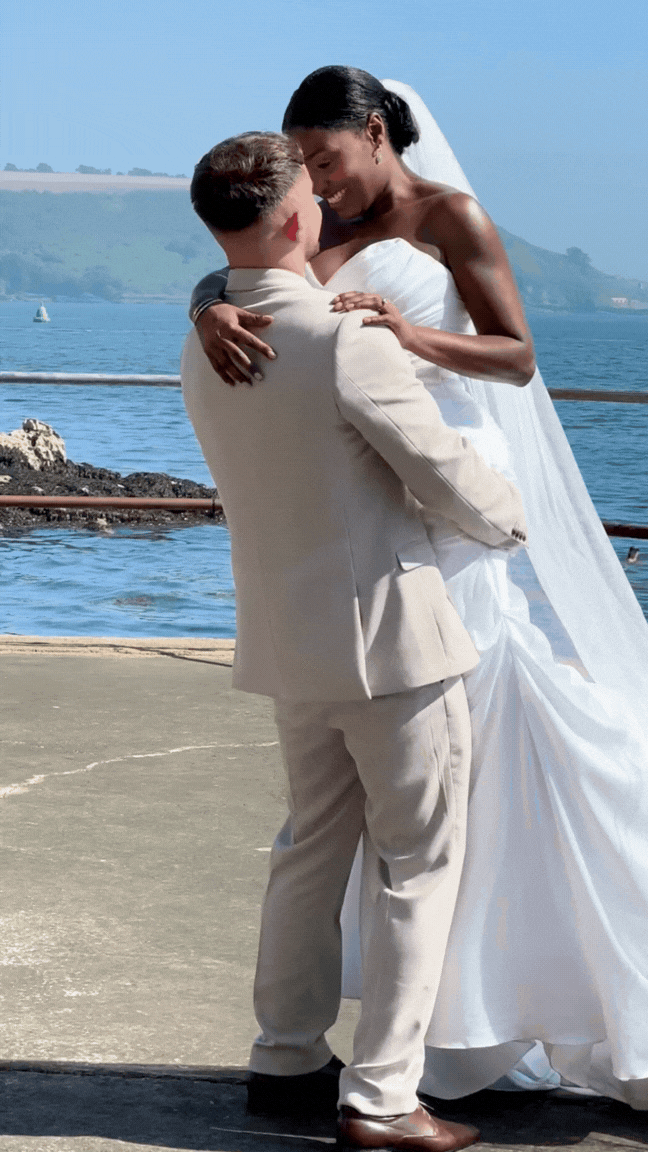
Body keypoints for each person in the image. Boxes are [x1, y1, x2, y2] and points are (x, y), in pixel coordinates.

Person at [189, 69, 648, 1110]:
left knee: (453, 763)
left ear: (379, 132)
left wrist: (406, 337)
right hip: (373, 497)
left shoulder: (450, 215)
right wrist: (209, 305)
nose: (312, 178)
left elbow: (516, 354)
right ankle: (405, 1058)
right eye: (299, 162)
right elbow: (255, 269)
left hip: (450, 470)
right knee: (398, 806)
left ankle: (463, 1016)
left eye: (326, 155)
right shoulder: (314, 224)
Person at [181, 129, 528, 1147]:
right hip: (393, 647)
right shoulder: (345, 340)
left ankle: (284, 1058)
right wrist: (511, 520)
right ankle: (383, 1100)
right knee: (419, 864)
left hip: (290, 643)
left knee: (308, 849)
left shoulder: (207, 339)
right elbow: (441, 471)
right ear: (298, 219)